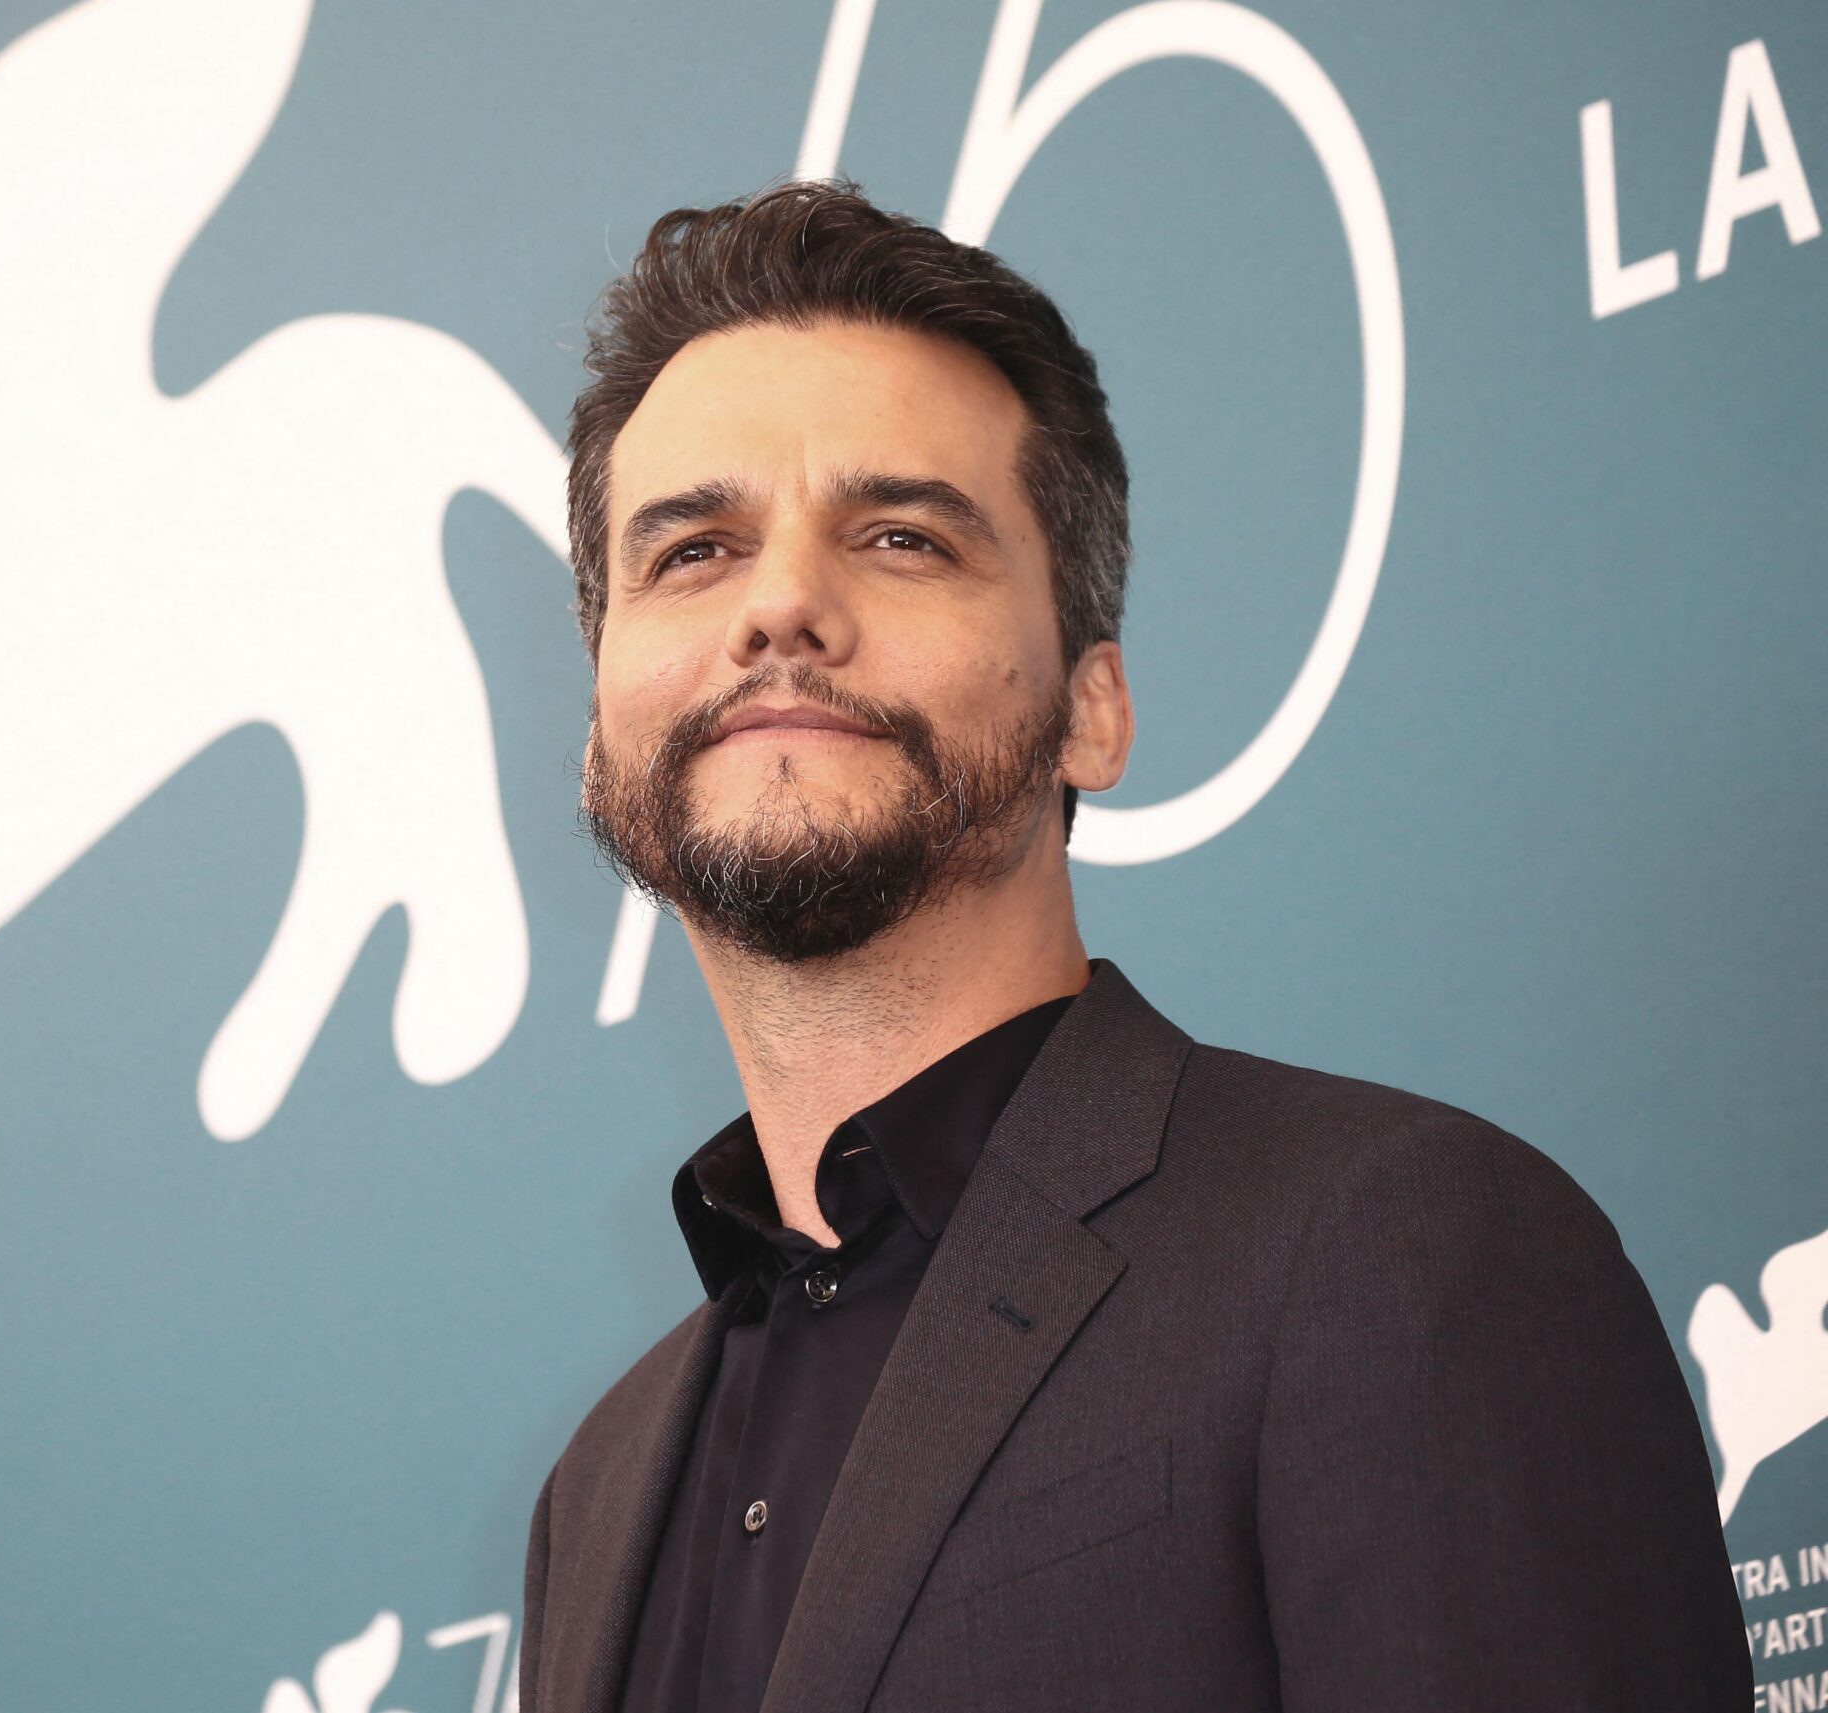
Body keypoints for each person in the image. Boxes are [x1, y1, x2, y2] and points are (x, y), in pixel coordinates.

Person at [517, 181, 1748, 1713]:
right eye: (694, 551)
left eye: (900, 536)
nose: (779, 605)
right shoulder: (598, 1490)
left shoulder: (1398, 1250)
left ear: (1091, 711)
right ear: (600, 742)